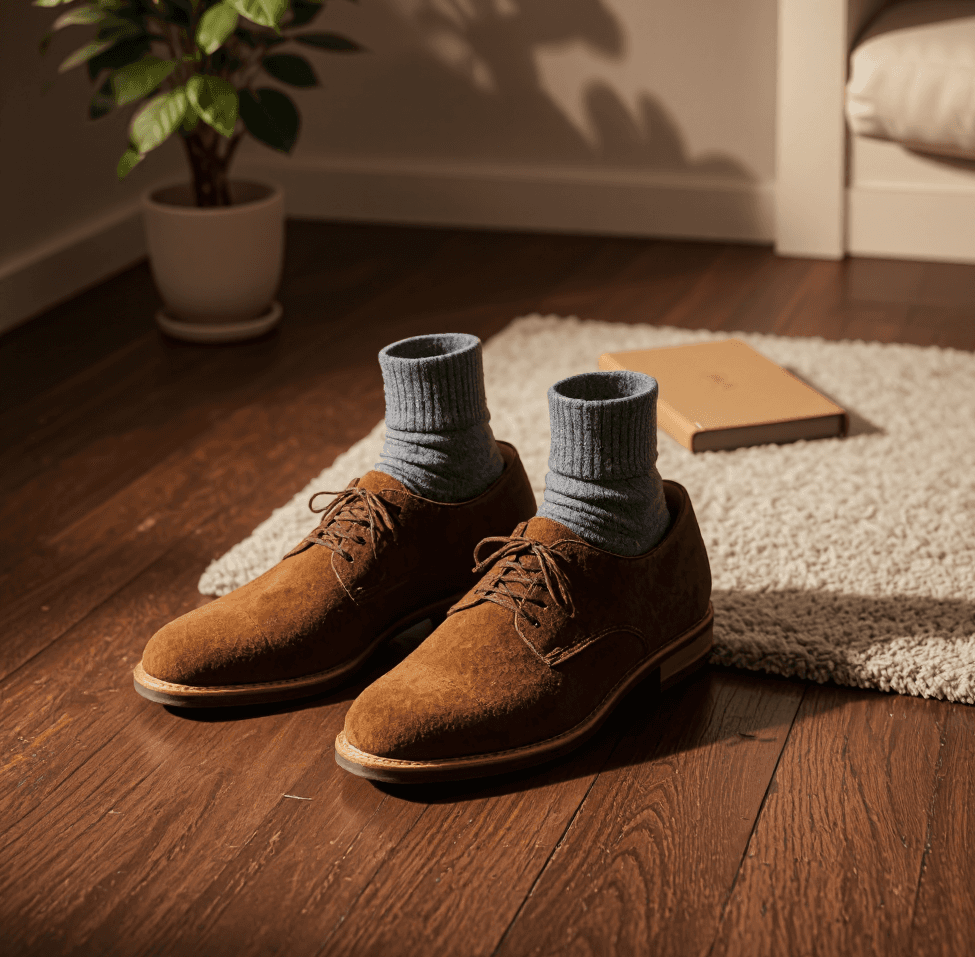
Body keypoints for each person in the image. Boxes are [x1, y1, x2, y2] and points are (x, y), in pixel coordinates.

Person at [135, 333, 713, 782]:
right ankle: (442, 479)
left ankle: (617, 540)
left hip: (628, 583)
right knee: (428, 442)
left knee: (594, 504)